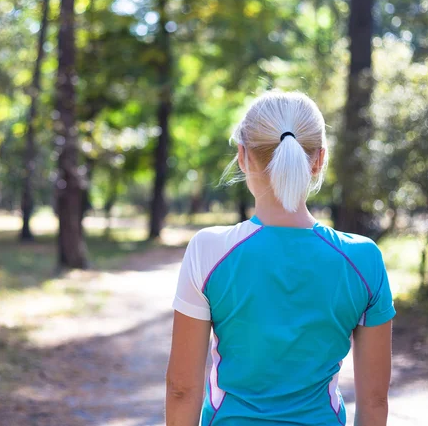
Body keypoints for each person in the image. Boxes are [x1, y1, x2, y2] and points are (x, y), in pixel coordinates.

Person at [166, 91, 395, 426]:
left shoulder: (208, 250)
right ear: (318, 159)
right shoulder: (363, 259)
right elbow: (374, 401)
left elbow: (182, 390)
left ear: (243, 156)